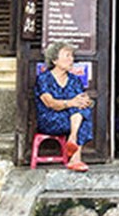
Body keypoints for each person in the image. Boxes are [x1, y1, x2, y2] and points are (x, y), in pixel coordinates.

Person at [34, 42, 94, 172]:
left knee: (83, 110)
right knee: (80, 114)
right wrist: (70, 103)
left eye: (72, 56)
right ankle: (75, 157)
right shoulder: (44, 79)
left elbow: (80, 100)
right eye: (67, 55)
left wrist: (86, 102)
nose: (71, 59)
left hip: (70, 120)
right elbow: (50, 103)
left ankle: (73, 142)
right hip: (50, 119)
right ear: (55, 60)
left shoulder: (74, 80)